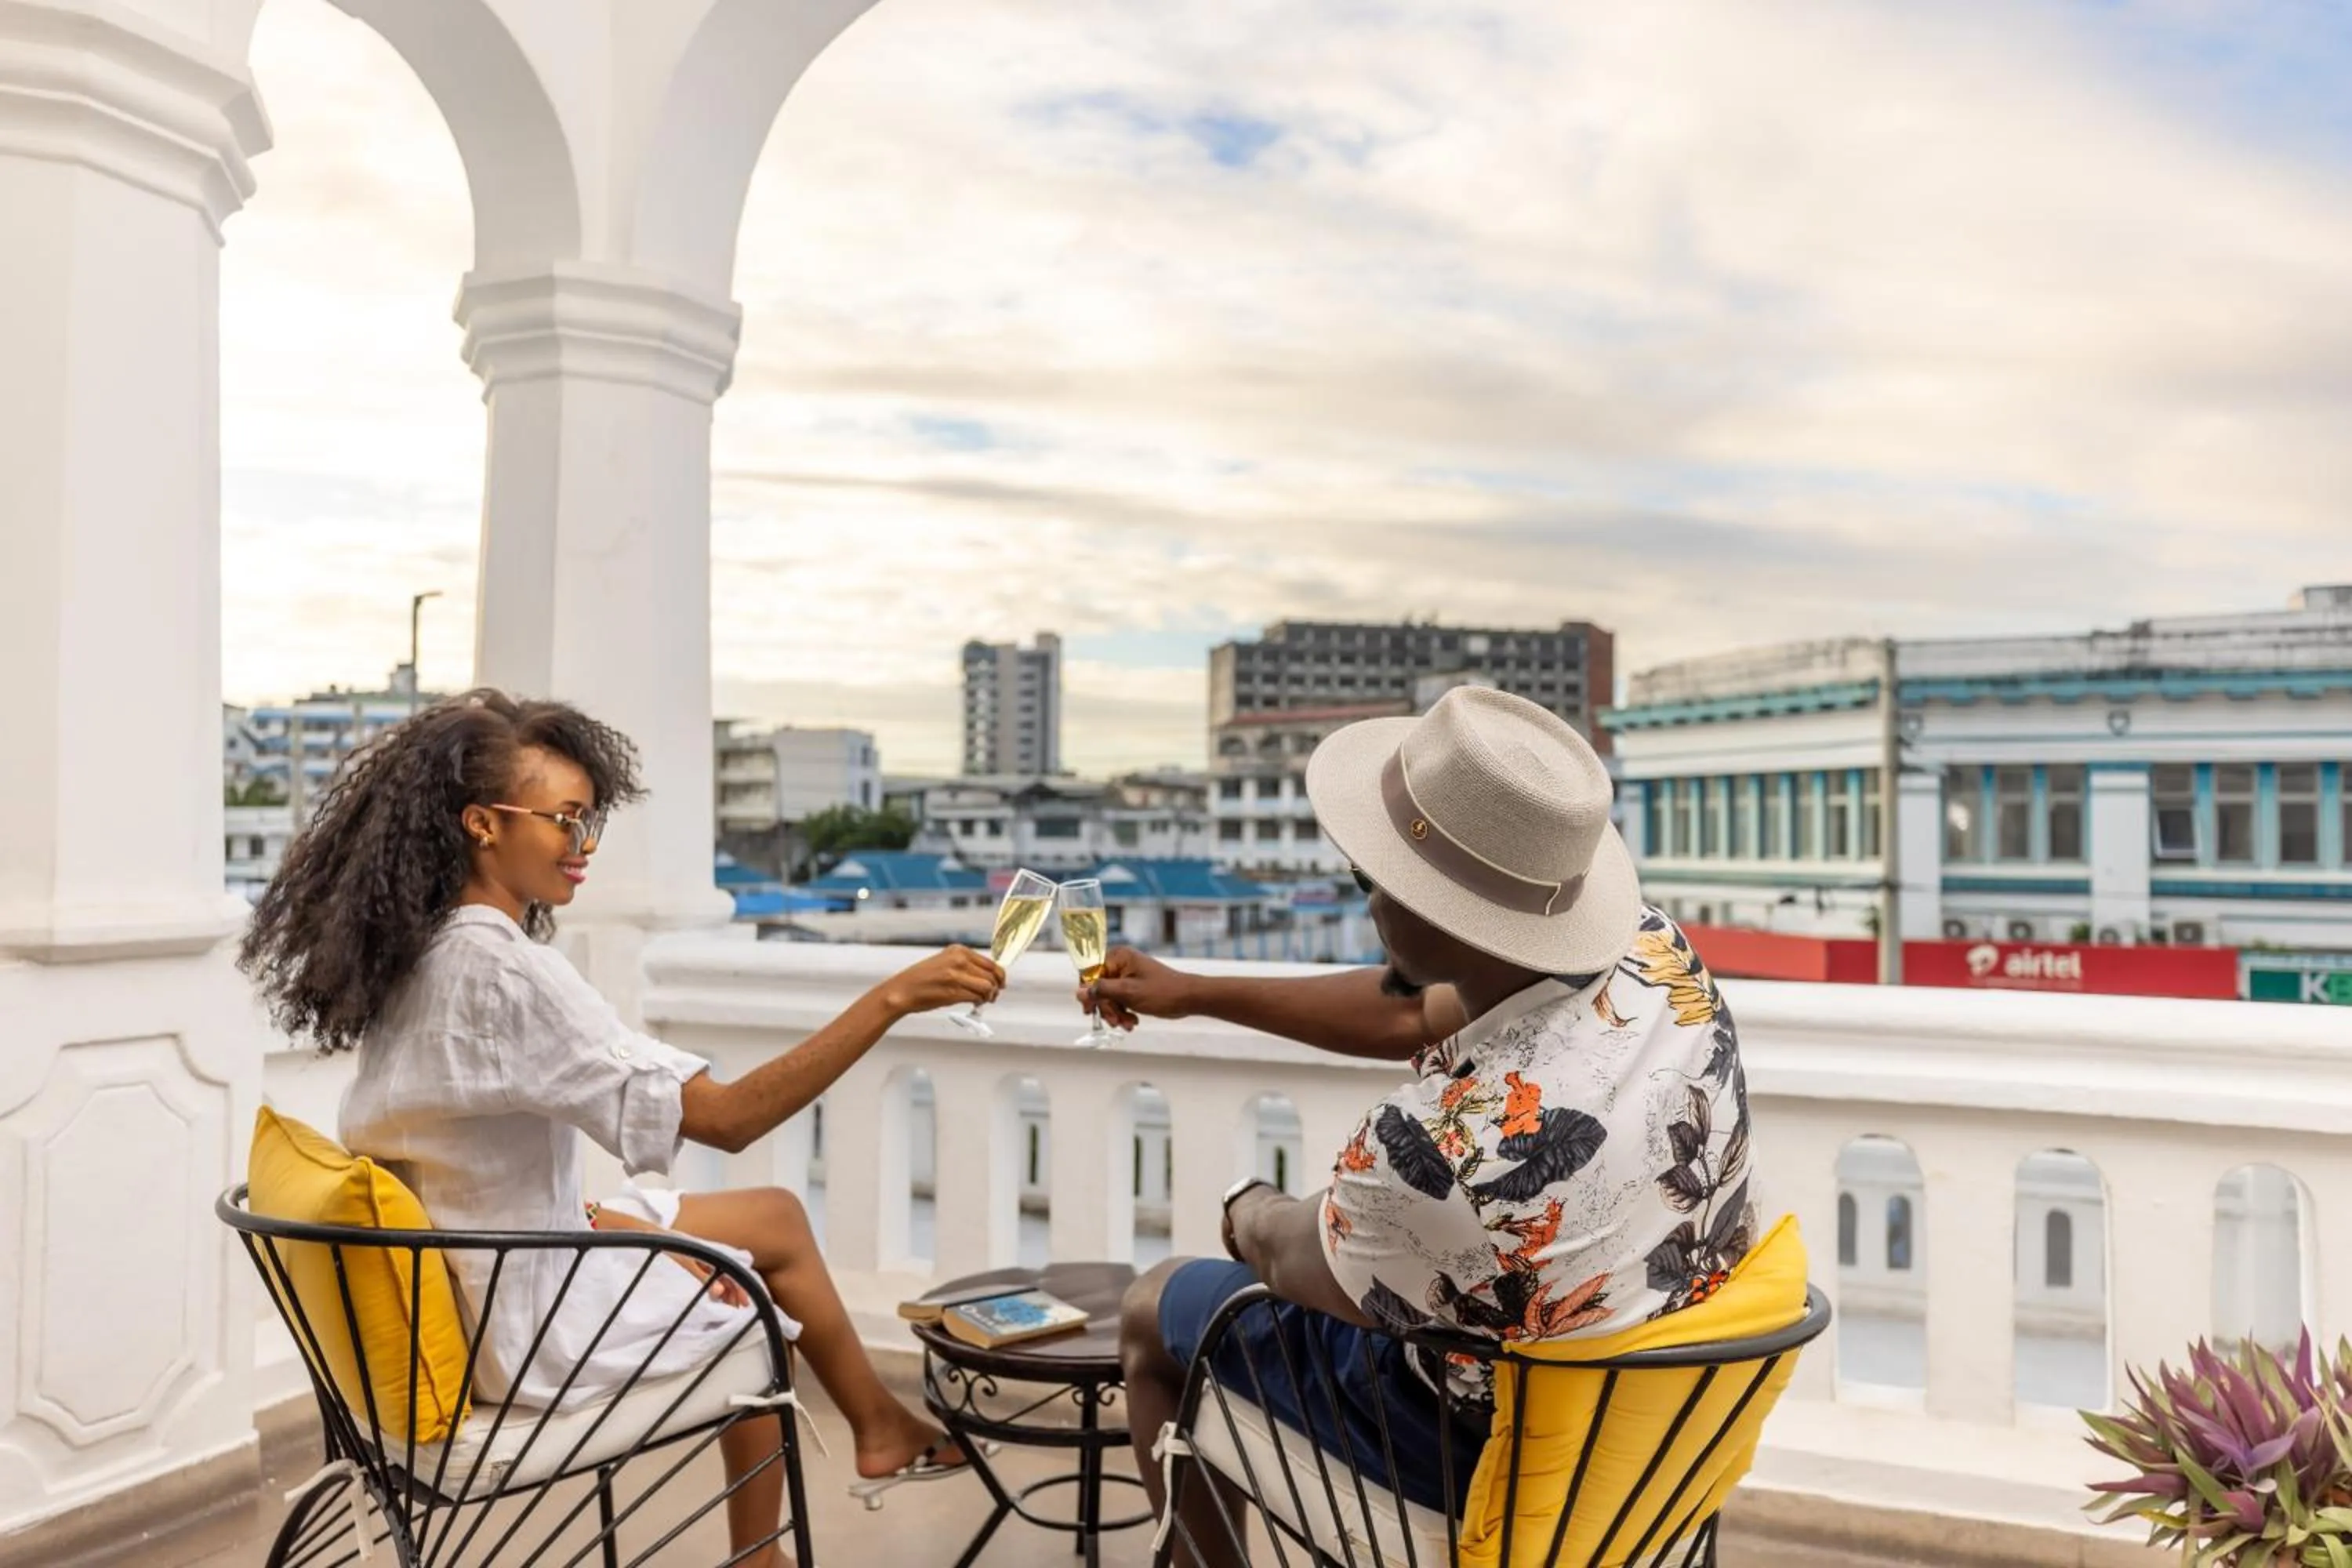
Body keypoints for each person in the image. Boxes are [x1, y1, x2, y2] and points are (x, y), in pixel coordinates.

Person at [240, 690, 997, 1566]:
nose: (582, 845)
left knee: (773, 1218)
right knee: (746, 1306)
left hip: (473, 1272)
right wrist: (893, 996)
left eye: (589, 819)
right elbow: (729, 1117)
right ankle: (762, 1553)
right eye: (563, 820)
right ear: (482, 824)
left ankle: (877, 1424)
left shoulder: (420, 956)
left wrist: (622, 1226)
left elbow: (460, 1164)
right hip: (528, 1326)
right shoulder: (508, 974)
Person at [1089, 687, 1760, 1563]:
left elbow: (1293, 1257)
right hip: (1654, 1454)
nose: (1367, 899)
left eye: (1373, 876)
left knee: (1157, 1305)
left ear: (1432, 911)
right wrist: (1197, 993)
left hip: (1481, 1470)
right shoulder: (1653, 953)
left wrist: (1241, 1206)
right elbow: (1413, 1014)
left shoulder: (1439, 1152)